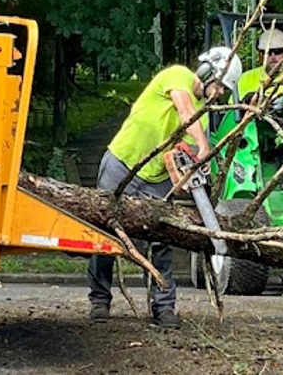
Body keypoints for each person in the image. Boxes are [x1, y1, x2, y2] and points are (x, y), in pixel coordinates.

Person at [87, 47, 243, 329]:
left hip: (157, 178)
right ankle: (99, 300)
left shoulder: (203, 118)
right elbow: (184, 109)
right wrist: (205, 146)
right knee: (104, 230)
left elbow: (183, 162)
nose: (219, 93)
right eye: (219, 85)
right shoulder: (177, 76)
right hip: (123, 160)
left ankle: (164, 306)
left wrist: (192, 172)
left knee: (162, 237)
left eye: (224, 89)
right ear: (207, 71)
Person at [236, 28, 283, 101]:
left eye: (277, 51)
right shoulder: (245, 79)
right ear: (260, 55)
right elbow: (234, 106)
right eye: (268, 52)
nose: (273, 57)